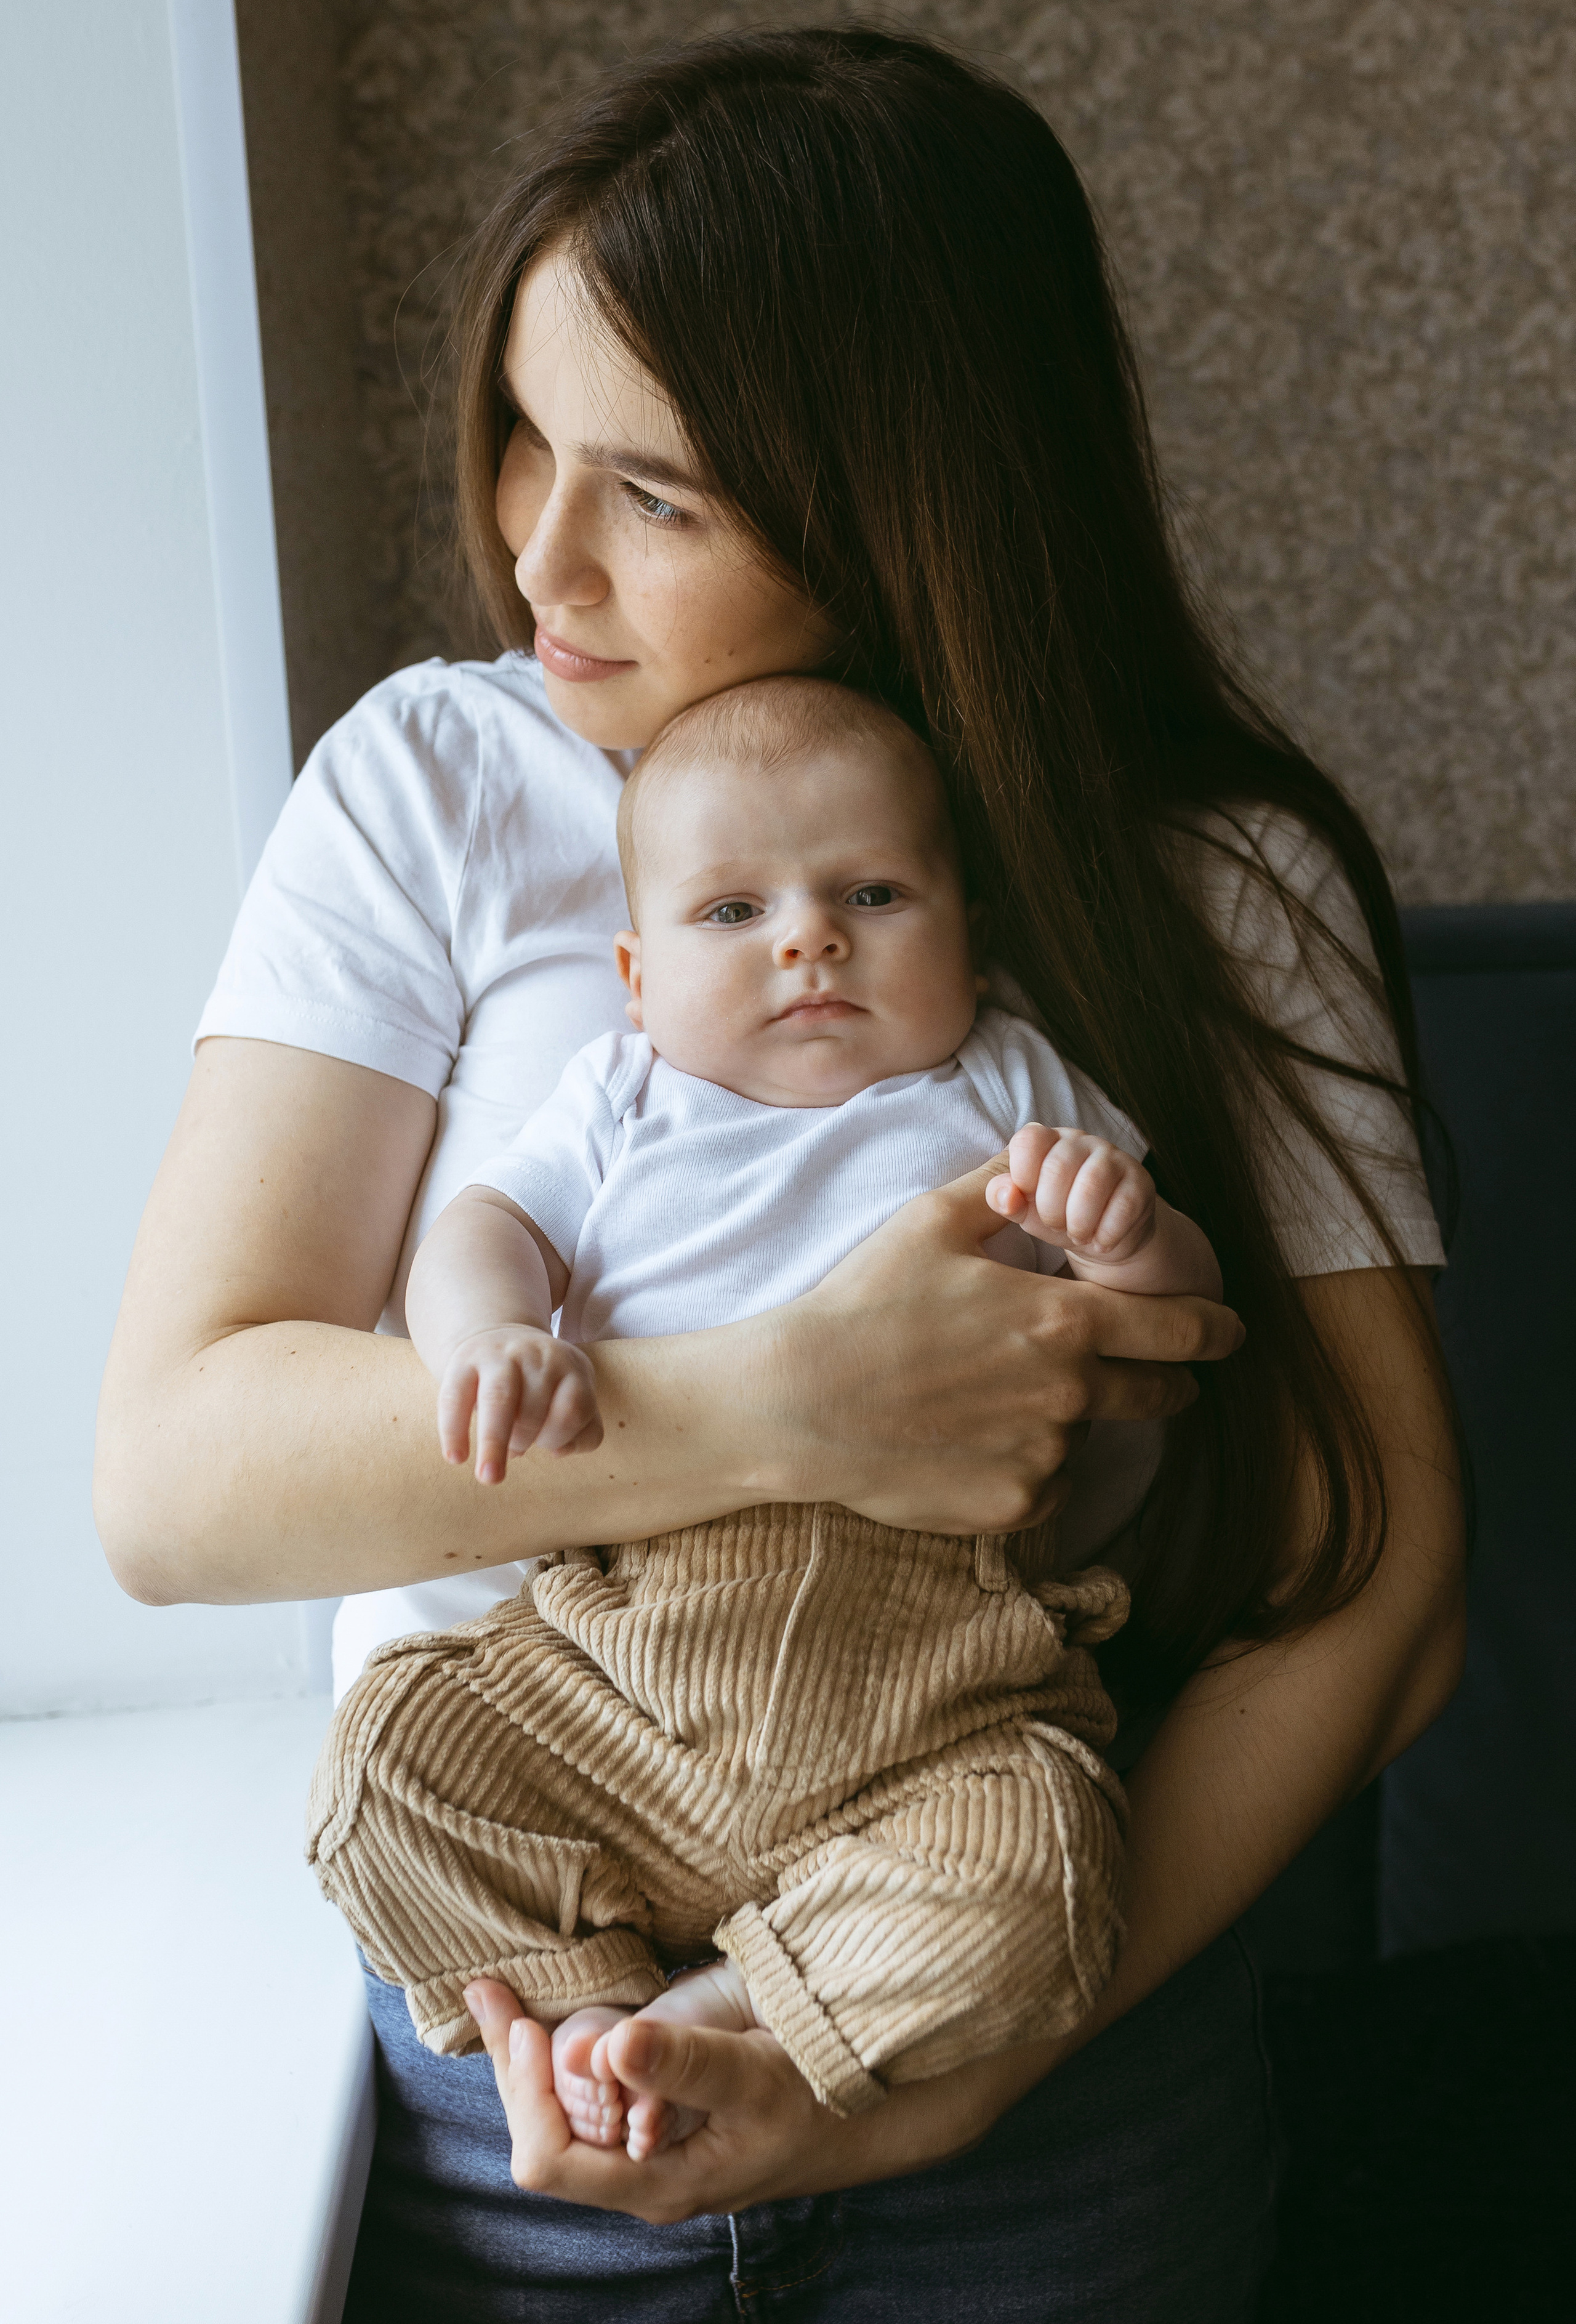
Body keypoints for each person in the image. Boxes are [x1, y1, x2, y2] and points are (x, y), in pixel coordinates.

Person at [95, 25, 1465, 2323]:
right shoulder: (430, 785)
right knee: (396, 1779)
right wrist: (785, 1405)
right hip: (535, 2071)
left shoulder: (1212, 880)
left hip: (1042, 2060)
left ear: (909, 492)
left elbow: (1382, 1578)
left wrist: (918, 2074)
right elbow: (173, 1483)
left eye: (659, 494)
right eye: (527, 437)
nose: (542, 553)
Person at [310, 674, 1224, 2157]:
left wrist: (1124, 1232)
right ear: (634, 973)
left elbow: (1179, 1326)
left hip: (937, 1681)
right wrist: (487, 1336)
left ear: (968, 937)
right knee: (389, 1757)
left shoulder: (1006, 1082)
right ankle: (587, 2002)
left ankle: (736, 2009)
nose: (808, 938)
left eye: (870, 892)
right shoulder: (622, 1096)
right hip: (616, 1668)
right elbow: (485, 1227)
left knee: (1048, 1860)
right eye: (731, 913)